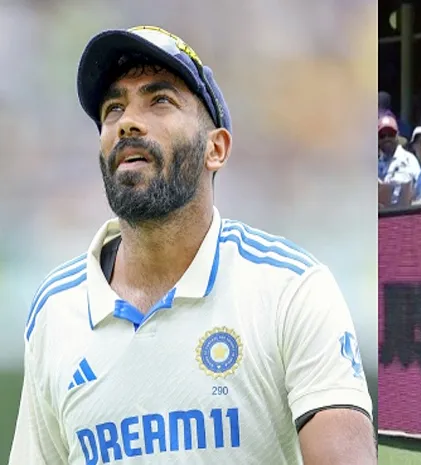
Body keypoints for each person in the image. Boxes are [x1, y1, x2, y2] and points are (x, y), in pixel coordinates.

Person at [10, 26, 376, 465]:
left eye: (160, 100)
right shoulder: (55, 311)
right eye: (113, 108)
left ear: (215, 149)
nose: (126, 120)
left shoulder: (290, 289)